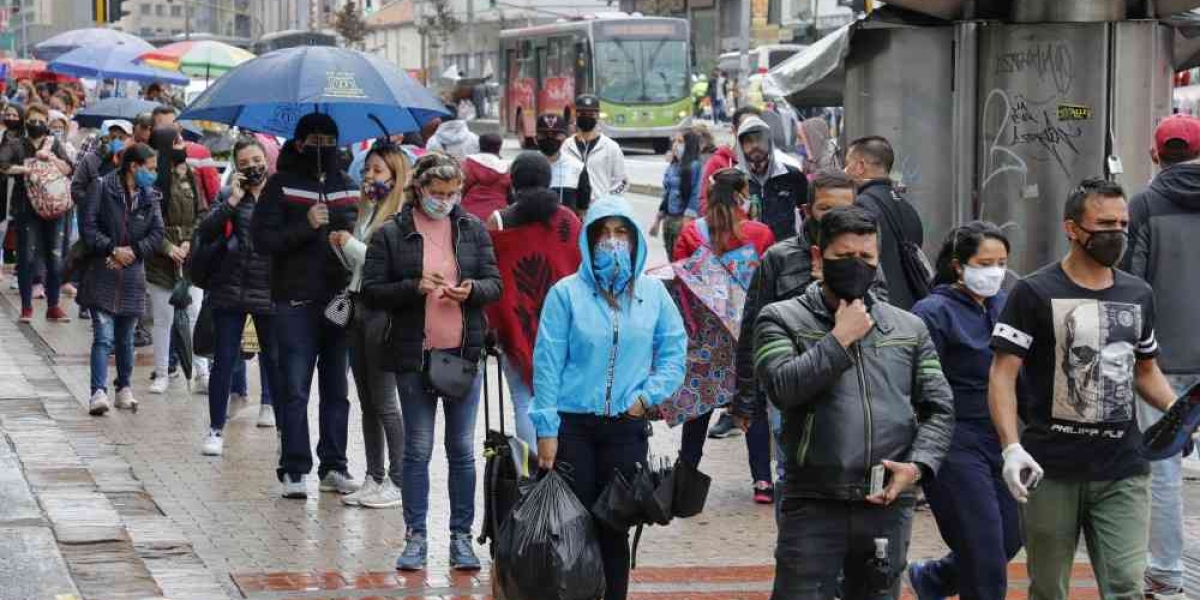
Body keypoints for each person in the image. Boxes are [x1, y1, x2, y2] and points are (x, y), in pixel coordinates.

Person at [989, 178, 1181, 600]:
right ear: (1072, 228)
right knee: (1049, 589)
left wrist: (1177, 411)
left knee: (1128, 585)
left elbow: (1145, 370)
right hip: (1050, 469)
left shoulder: (1138, 293)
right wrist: (1010, 447)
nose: (1116, 233)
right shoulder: (1033, 292)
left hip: (1123, 468)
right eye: (1104, 223)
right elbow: (1003, 373)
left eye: (1123, 223)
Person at [754, 205, 953, 600]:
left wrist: (917, 466)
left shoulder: (908, 327)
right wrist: (838, 340)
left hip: (886, 502)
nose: (856, 266)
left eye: (866, 257)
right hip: (812, 501)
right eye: (844, 257)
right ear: (817, 258)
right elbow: (782, 387)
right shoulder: (779, 319)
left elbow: (939, 408)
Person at [531, 195, 688, 600]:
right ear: (589, 240)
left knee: (615, 528)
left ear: (635, 241)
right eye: (604, 234)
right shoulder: (566, 294)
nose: (613, 242)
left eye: (622, 233)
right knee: (572, 527)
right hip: (573, 427)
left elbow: (673, 353)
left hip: (625, 428)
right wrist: (546, 429)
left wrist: (645, 398)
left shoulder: (653, 294)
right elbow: (547, 363)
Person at [360, 153, 501, 571]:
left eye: (452, 193)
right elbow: (370, 291)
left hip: (462, 356)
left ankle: (461, 538)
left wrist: (472, 289)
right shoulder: (392, 233)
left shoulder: (472, 228)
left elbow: (495, 283)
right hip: (413, 356)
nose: (445, 200)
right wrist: (411, 287)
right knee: (417, 450)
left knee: (461, 449)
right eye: (437, 193)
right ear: (419, 189)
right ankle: (416, 536)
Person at [907, 222, 1021, 600]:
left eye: (1002, 262)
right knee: (983, 553)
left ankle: (935, 578)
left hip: (1001, 435)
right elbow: (918, 384)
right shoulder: (933, 312)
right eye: (985, 262)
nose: (995, 272)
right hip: (953, 438)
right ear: (958, 265)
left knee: (1009, 536)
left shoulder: (1006, 304)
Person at [252, 112, 359, 499]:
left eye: (329, 141)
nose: (323, 149)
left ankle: (335, 465)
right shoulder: (280, 186)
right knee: (295, 389)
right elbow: (262, 240)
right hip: (294, 302)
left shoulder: (347, 185)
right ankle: (294, 468)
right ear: (299, 143)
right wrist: (306, 225)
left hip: (338, 303)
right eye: (314, 141)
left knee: (337, 391)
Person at [1123, 115, 1200, 600]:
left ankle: (1168, 575)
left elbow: (1132, 284)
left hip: (1162, 361)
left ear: (1155, 154)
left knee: (1165, 469)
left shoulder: (1145, 204)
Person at [672, 168, 776, 502]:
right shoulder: (760, 234)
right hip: (747, 335)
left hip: (706, 337)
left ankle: (686, 475)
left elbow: (680, 284)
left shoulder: (692, 233)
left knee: (700, 407)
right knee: (752, 404)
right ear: (742, 194)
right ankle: (762, 481)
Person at [328, 141, 410, 509]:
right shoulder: (367, 212)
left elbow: (382, 263)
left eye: (377, 171)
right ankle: (373, 475)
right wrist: (340, 245)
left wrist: (352, 244)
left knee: (385, 401)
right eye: (366, 172)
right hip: (356, 307)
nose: (369, 178)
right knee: (366, 401)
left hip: (381, 314)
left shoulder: (398, 219)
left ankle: (398, 478)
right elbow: (357, 267)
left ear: (395, 176)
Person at [485, 151, 583, 448]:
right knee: (562, 397)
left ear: (513, 182)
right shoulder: (568, 219)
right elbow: (579, 265)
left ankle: (534, 477)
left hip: (515, 323)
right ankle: (563, 466)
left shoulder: (499, 221)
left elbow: (490, 270)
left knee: (523, 400)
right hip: (563, 324)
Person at [197, 137, 278, 456]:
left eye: (257, 160)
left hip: (269, 289)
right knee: (224, 361)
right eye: (244, 163)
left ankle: (276, 416)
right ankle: (216, 429)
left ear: (267, 160)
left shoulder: (280, 195)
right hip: (229, 289)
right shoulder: (230, 195)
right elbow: (206, 230)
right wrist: (232, 200)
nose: (253, 167)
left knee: (274, 360)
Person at [78, 143, 164, 416]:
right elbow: (88, 228)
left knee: (126, 337)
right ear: (133, 166)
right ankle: (98, 392)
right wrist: (112, 249)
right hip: (102, 269)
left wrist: (133, 252)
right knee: (103, 335)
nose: (154, 173)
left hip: (132, 275)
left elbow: (157, 233)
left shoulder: (150, 196)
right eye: (150, 168)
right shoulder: (102, 187)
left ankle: (124, 387)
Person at [146, 127, 209, 395]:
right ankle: (162, 373)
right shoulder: (152, 181)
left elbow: (202, 214)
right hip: (161, 261)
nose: (182, 145)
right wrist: (166, 246)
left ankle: (202, 372)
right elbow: (146, 221)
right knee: (163, 318)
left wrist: (189, 241)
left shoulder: (191, 176)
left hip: (189, 256)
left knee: (194, 314)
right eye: (177, 141)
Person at [1, 103, 75, 323]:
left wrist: (50, 158)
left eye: (40, 121)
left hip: (55, 208)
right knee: (27, 257)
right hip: (26, 208)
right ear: (26, 123)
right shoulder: (16, 144)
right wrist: (27, 168)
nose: (36, 124)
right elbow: (2, 164)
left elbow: (69, 168)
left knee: (55, 257)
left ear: (46, 123)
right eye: (32, 120)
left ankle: (53, 306)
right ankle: (26, 307)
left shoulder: (54, 145)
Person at [845, 135, 925, 310]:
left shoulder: (861, 205)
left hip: (881, 312)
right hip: (912, 310)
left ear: (860, 166)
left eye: (847, 164)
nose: (845, 171)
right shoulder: (907, 207)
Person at [735, 115, 807, 243]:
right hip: (747, 254)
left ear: (769, 142)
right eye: (749, 141)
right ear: (741, 146)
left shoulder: (791, 175)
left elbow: (807, 213)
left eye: (760, 139)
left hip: (785, 251)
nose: (755, 145)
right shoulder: (734, 180)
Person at [562, 94, 627, 217]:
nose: (587, 117)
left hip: (600, 213)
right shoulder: (566, 146)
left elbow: (622, 182)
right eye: (583, 113)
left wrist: (606, 200)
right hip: (572, 212)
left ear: (597, 116)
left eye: (591, 114)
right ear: (576, 114)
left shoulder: (611, 147)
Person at [650, 129, 702, 256]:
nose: (675, 145)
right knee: (671, 260)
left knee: (683, 262)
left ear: (689, 145)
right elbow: (666, 194)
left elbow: (695, 194)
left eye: (680, 141)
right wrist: (658, 220)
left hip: (683, 221)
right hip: (669, 220)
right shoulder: (672, 167)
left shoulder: (695, 166)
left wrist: (687, 222)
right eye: (674, 141)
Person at [534, 113, 583, 211]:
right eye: (544, 135)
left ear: (565, 138)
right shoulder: (523, 166)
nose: (550, 138)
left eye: (555, 135)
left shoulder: (578, 167)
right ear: (535, 139)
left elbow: (582, 208)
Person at [460, 133, 510, 221]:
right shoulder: (506, 169)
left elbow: (461, 189)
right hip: (497, 216)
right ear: (499, 147)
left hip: (470, 213)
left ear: (480, 145)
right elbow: (510, 195)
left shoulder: (469, 164)